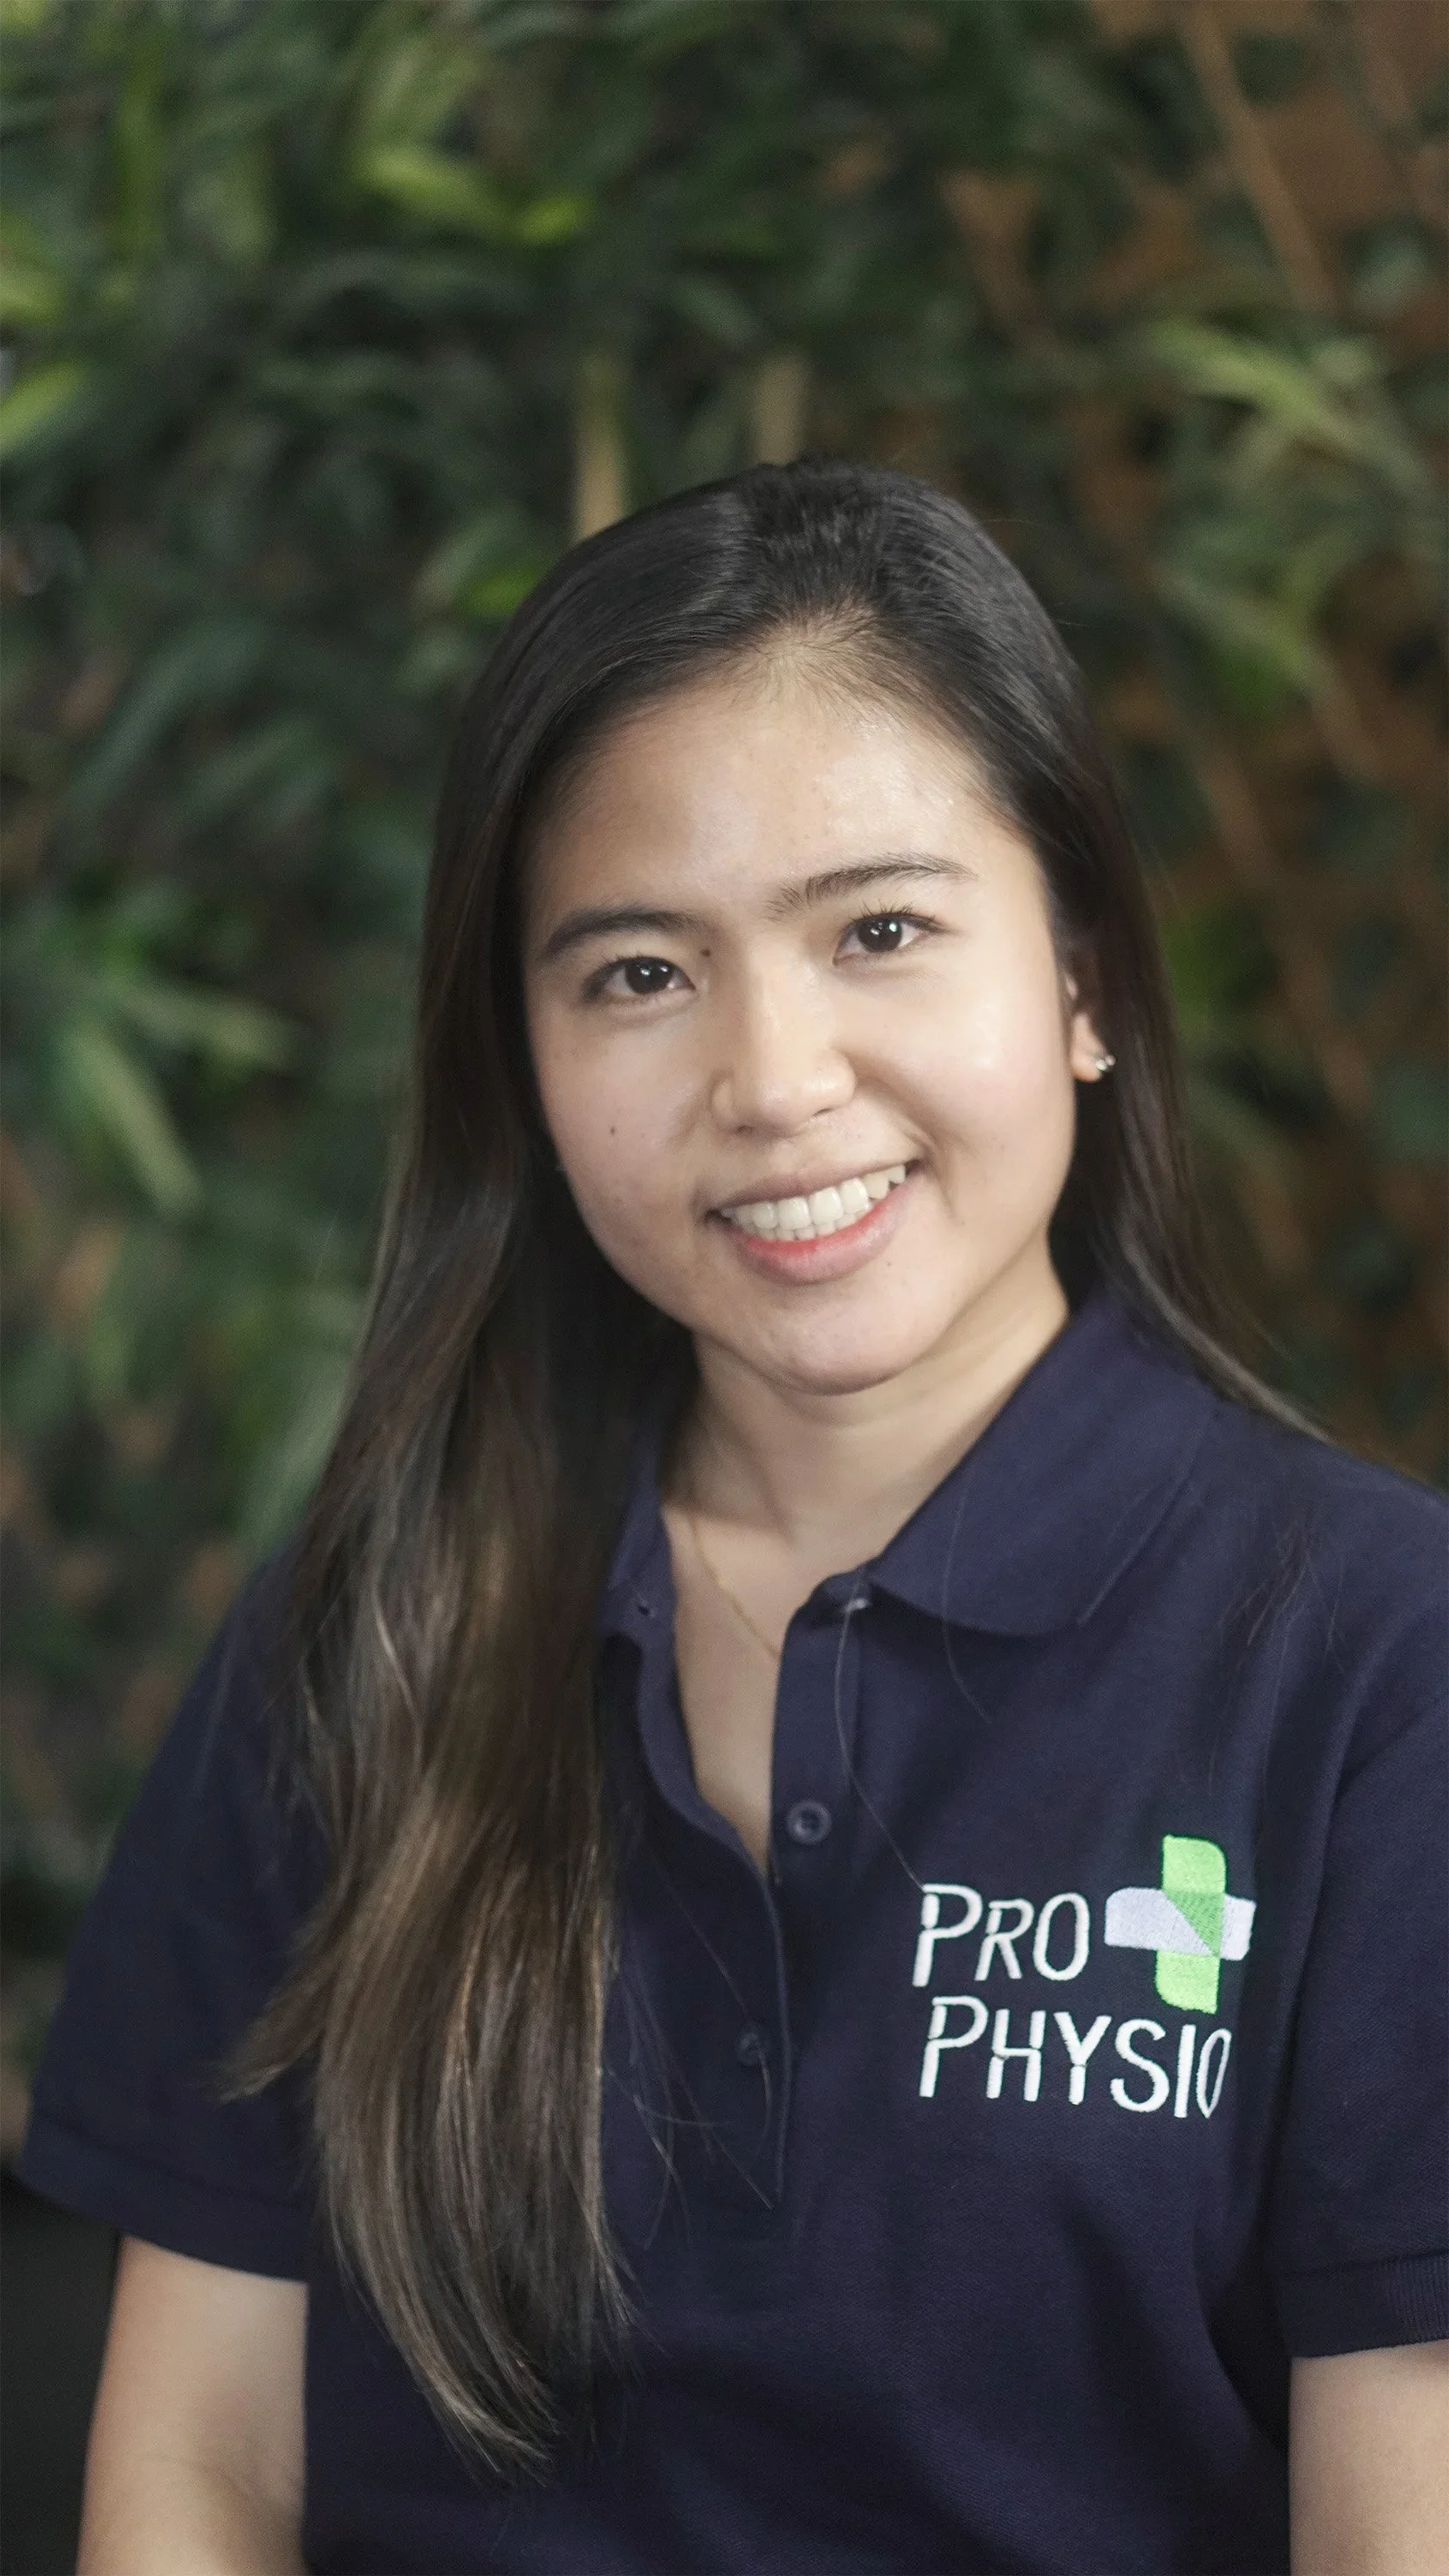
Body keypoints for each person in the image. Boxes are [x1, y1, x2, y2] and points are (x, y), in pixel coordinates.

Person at [21, 460, 1446, 2575]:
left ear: (1081, 980)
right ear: (520, 1054)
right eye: (635, 974)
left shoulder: (1372, 1660)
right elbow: (198, 2474)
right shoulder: (376, 1625)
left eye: (879, 931)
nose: (771, 1078)